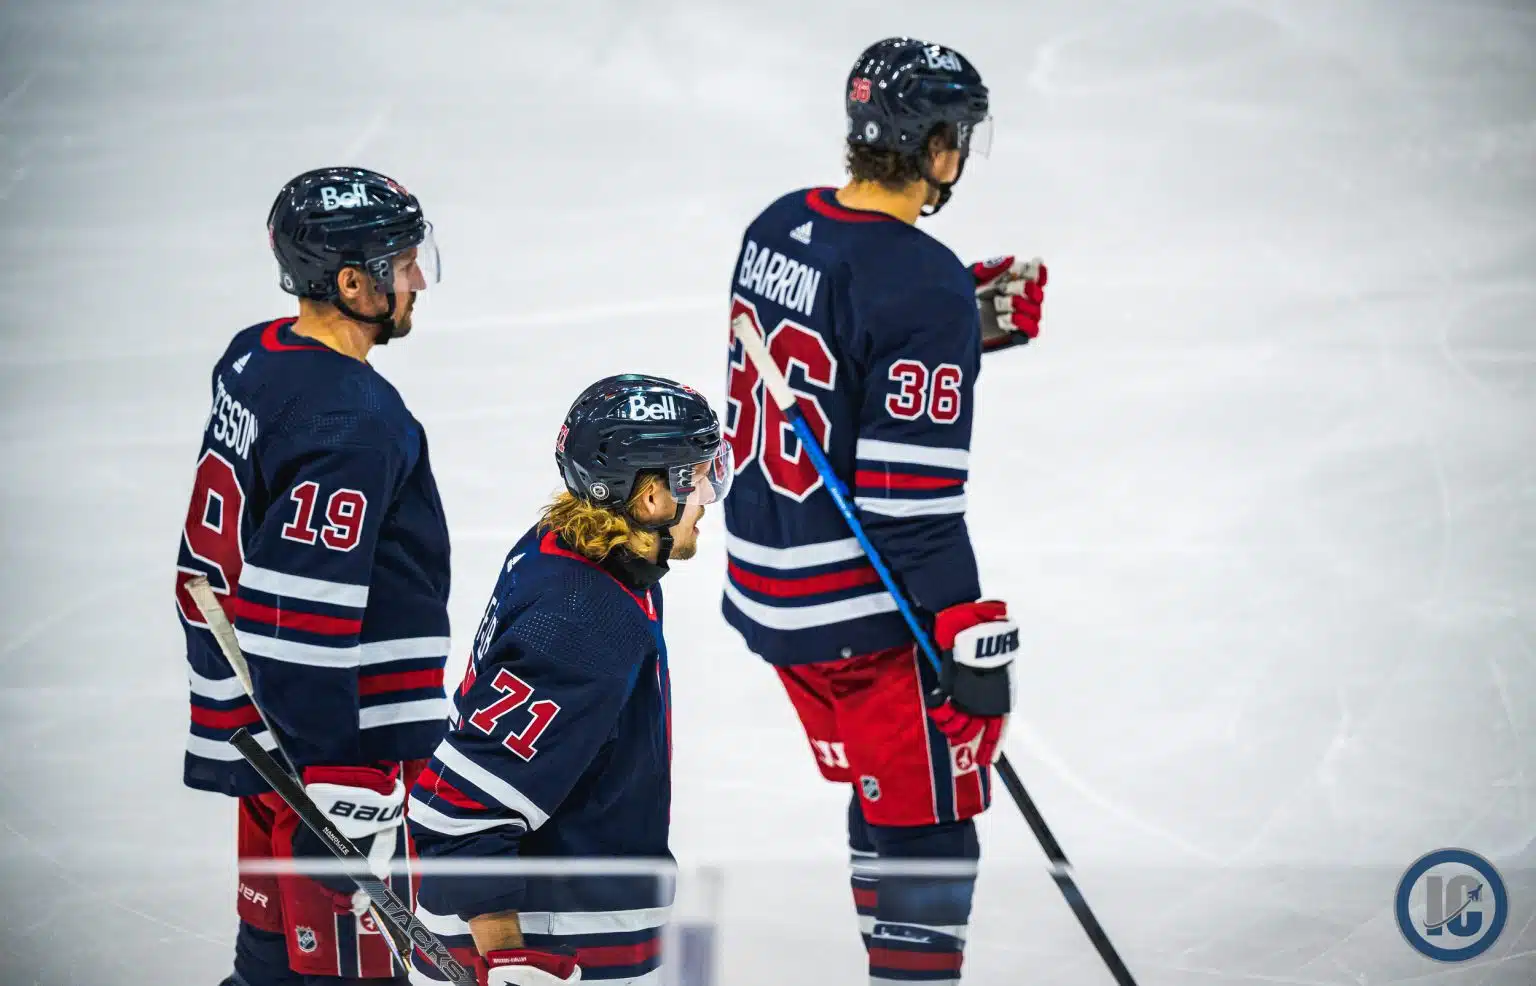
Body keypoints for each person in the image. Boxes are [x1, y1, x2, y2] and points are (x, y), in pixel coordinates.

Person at [720, 37, 1049, 984]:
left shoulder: (776, 224)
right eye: (959, 139)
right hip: (857, 610)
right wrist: (962, 636)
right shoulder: (922, 281)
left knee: (891, 789)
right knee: (932, 816)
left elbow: (830, 349)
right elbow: (911, 506)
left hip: (766, 580)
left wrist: (959, 324)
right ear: (937, 147)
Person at [174, 166, 451, 985]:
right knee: (343, 974)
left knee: (268, 966)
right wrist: (336, 779)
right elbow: (301, 615)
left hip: (267, 727)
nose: (418, 280)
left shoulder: (255, 354)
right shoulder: (353, 423)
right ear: (353, 282)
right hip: (335, 748)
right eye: (403, 264)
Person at [407, 375, 730, 986]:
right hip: (554, 951)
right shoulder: (585, 618)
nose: (708, 496)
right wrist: (506, 958)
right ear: (650, 496)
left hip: (572, 928)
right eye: (693, 477)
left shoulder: (574, 552)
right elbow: (459, 813)